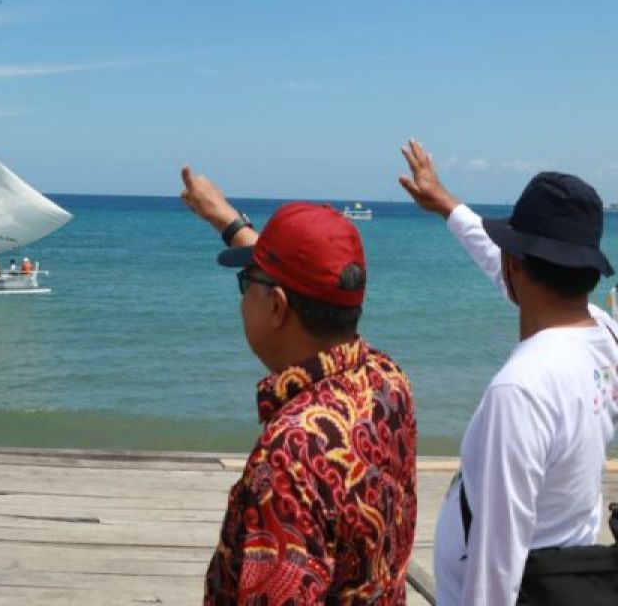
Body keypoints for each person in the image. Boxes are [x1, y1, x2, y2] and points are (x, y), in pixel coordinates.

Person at [180, 165, 417, 604]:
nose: (243, 295)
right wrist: (226, 219)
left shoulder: (290, 457)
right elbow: (303, 277)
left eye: (244, 284)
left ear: (276, 306)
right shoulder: (387, 381)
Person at [397, 139, 618, 604]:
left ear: (516, 264)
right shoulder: (604, 334)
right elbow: (502, 266)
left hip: (518, 587)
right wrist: (446, 204)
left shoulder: (520, 390)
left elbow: (498, 557)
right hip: (566, 574)